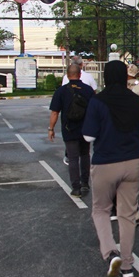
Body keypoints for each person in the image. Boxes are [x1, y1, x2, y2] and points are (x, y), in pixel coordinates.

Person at [82, 60, 139, 277]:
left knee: (101, 209)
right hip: (132, 162)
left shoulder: (97, 102)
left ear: (106, 77)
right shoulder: (136, 101)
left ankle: (111, 251)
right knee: (128, 214)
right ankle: (127, 265)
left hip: (105, 162)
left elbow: (88, 137)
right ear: (125, 77)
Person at [48, 63, 95, 197]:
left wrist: (51, 128)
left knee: (73, 158)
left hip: (69, 129)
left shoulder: (61, 91)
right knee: (85, 155)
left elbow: (55, 113)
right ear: (80, 74)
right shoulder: (88, 90)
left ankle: (76, 188)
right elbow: (94, 110)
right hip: (85, 128)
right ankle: (85, 183)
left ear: (67, 76)